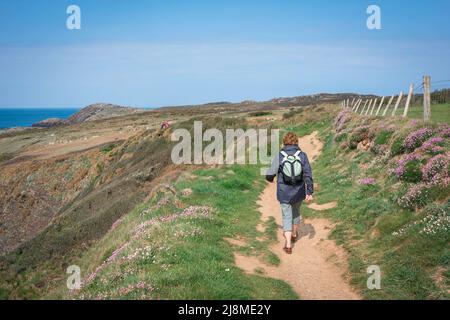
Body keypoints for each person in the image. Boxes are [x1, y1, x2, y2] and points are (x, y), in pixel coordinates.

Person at [266, 132, 314, 254]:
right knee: (296, 212)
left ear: (284, 142)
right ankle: (294, 234)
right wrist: (309, 191)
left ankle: (288, 244)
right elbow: (308, 174)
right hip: (299, 191)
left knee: (286, 216)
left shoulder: (280, 155)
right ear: (296, 142)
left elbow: (270, 173)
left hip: (284, 191)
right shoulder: (302, 155)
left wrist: (270, 179)